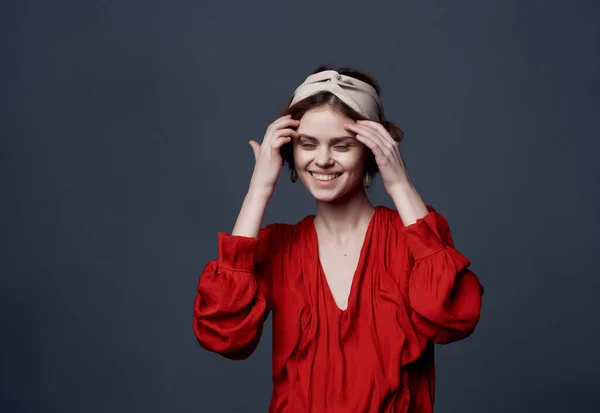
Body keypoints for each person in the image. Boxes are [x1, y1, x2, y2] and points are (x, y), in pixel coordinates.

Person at [193, 65, 484, 413]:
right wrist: (258, 191)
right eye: (307, 144)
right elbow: (223, 333)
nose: (323, 159)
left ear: (371, 151)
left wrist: (400, 185)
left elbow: (453, 316)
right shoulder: (279, 247)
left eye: (342, 145)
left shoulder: (412, 240)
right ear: (290, 151)